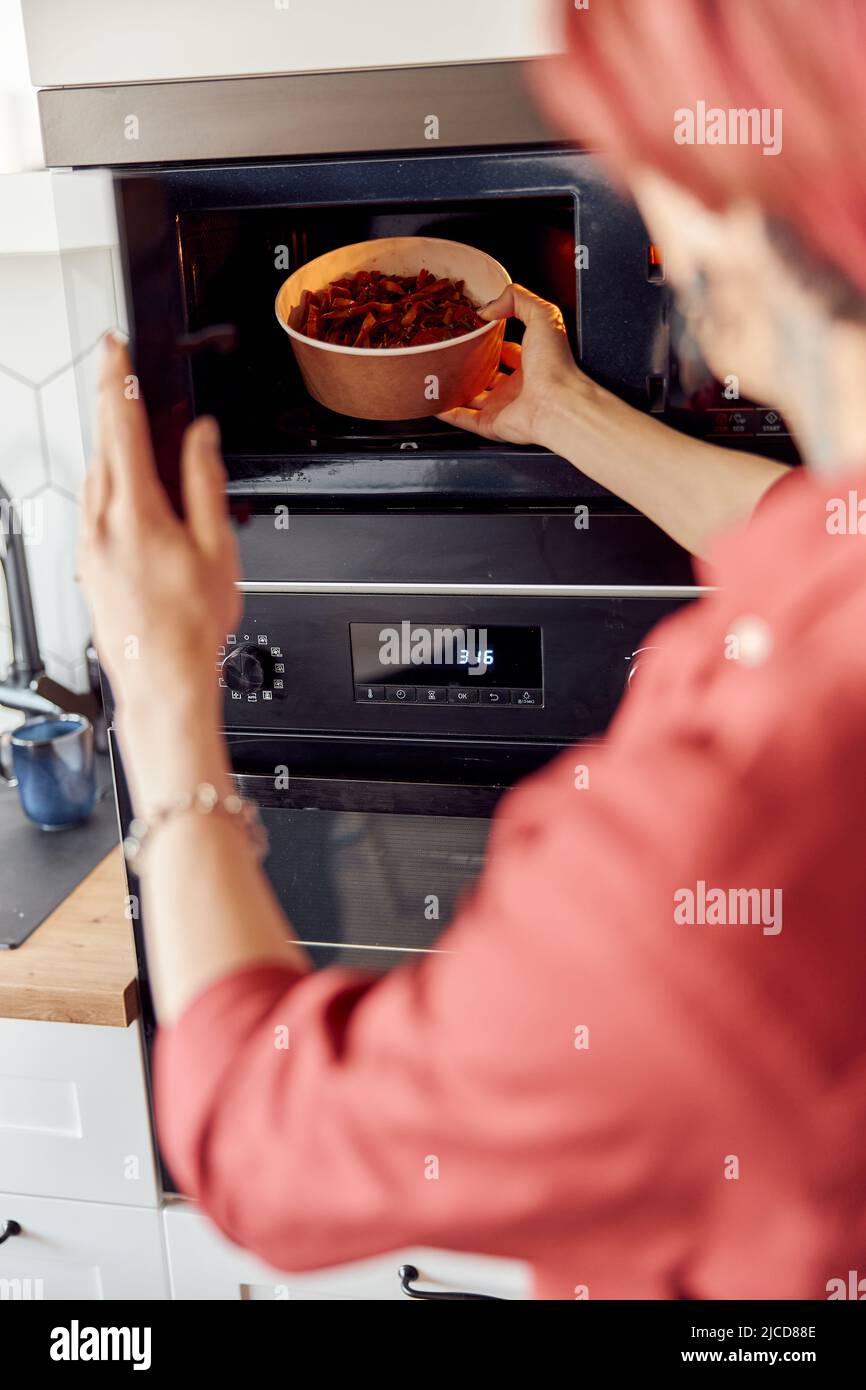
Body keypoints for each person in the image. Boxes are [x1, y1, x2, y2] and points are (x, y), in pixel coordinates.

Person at [80, 0, 866, 1299]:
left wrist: (162, 695)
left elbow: (261, 1136)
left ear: (745, 219)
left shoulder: (724, 835)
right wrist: (562, 409)